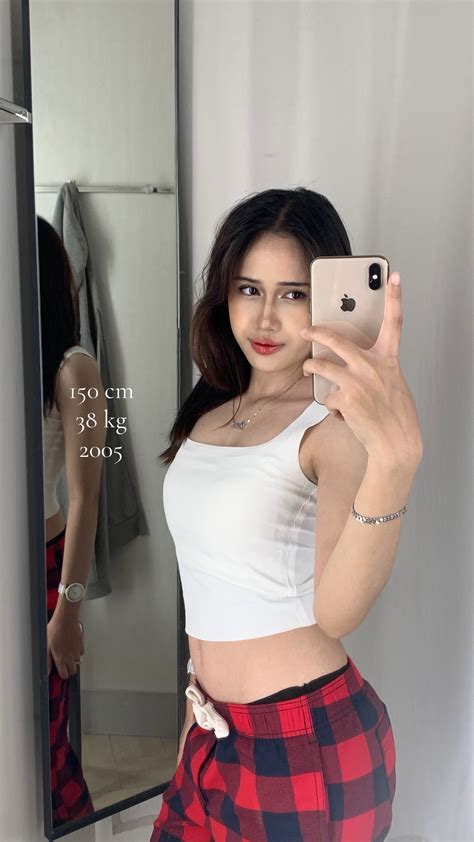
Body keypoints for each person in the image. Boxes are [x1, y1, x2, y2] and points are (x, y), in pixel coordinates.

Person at [150, 187, 423, 841]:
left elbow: (338, 613)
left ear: (326, 299)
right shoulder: (209, 412)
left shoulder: (331, 425)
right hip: (211, 730)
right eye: (249, 289)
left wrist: (394, 466)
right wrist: (191, 727)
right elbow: (209, 588)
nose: (266, 318)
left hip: (302, 742)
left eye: (294, 294)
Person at [39, 216, 107, 825]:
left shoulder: (73, 369)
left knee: (45, 734)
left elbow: (87, 497)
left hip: (45, 569)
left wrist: (69, 612)